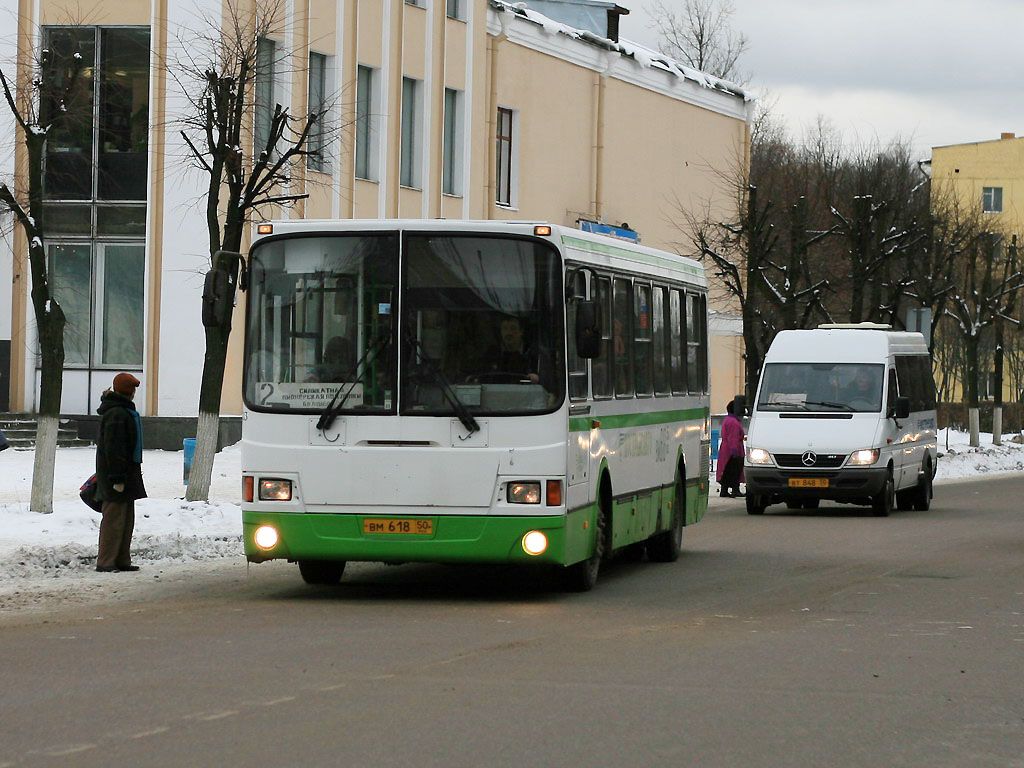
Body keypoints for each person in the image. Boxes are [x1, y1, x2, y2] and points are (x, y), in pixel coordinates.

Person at [94, 373, 147, 573]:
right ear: (129, 392)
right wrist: (117, 478)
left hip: (124, 474)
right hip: (116, 476)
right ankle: (106, 561)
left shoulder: (121, 411)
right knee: (114, 520)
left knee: (125, 520)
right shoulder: (118, 414)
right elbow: (114, 448)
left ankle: (121, 559)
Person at [716, 399, 746, 498]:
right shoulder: (734, 422)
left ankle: (724, 490)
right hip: (732, 449)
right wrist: (735, 450)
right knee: (735, 470)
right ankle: (735, 489)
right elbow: (734, 437)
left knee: (726, 470)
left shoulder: (728, 420)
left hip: (726, 449)